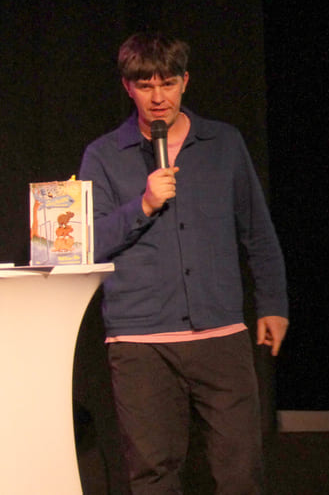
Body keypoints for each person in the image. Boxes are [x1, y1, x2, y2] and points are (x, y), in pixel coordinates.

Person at [79, 31, 289, 494]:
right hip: (140, 341)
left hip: (220, 334)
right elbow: (87, 244)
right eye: (146, 86)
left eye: (168, 83)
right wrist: (144, 205)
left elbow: (256, 228)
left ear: (185, 82)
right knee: (154, 473)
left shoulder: (223, 143)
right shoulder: (104, 155)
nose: (158, 97)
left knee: (240, 471)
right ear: (127, 88)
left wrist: (273, 300)